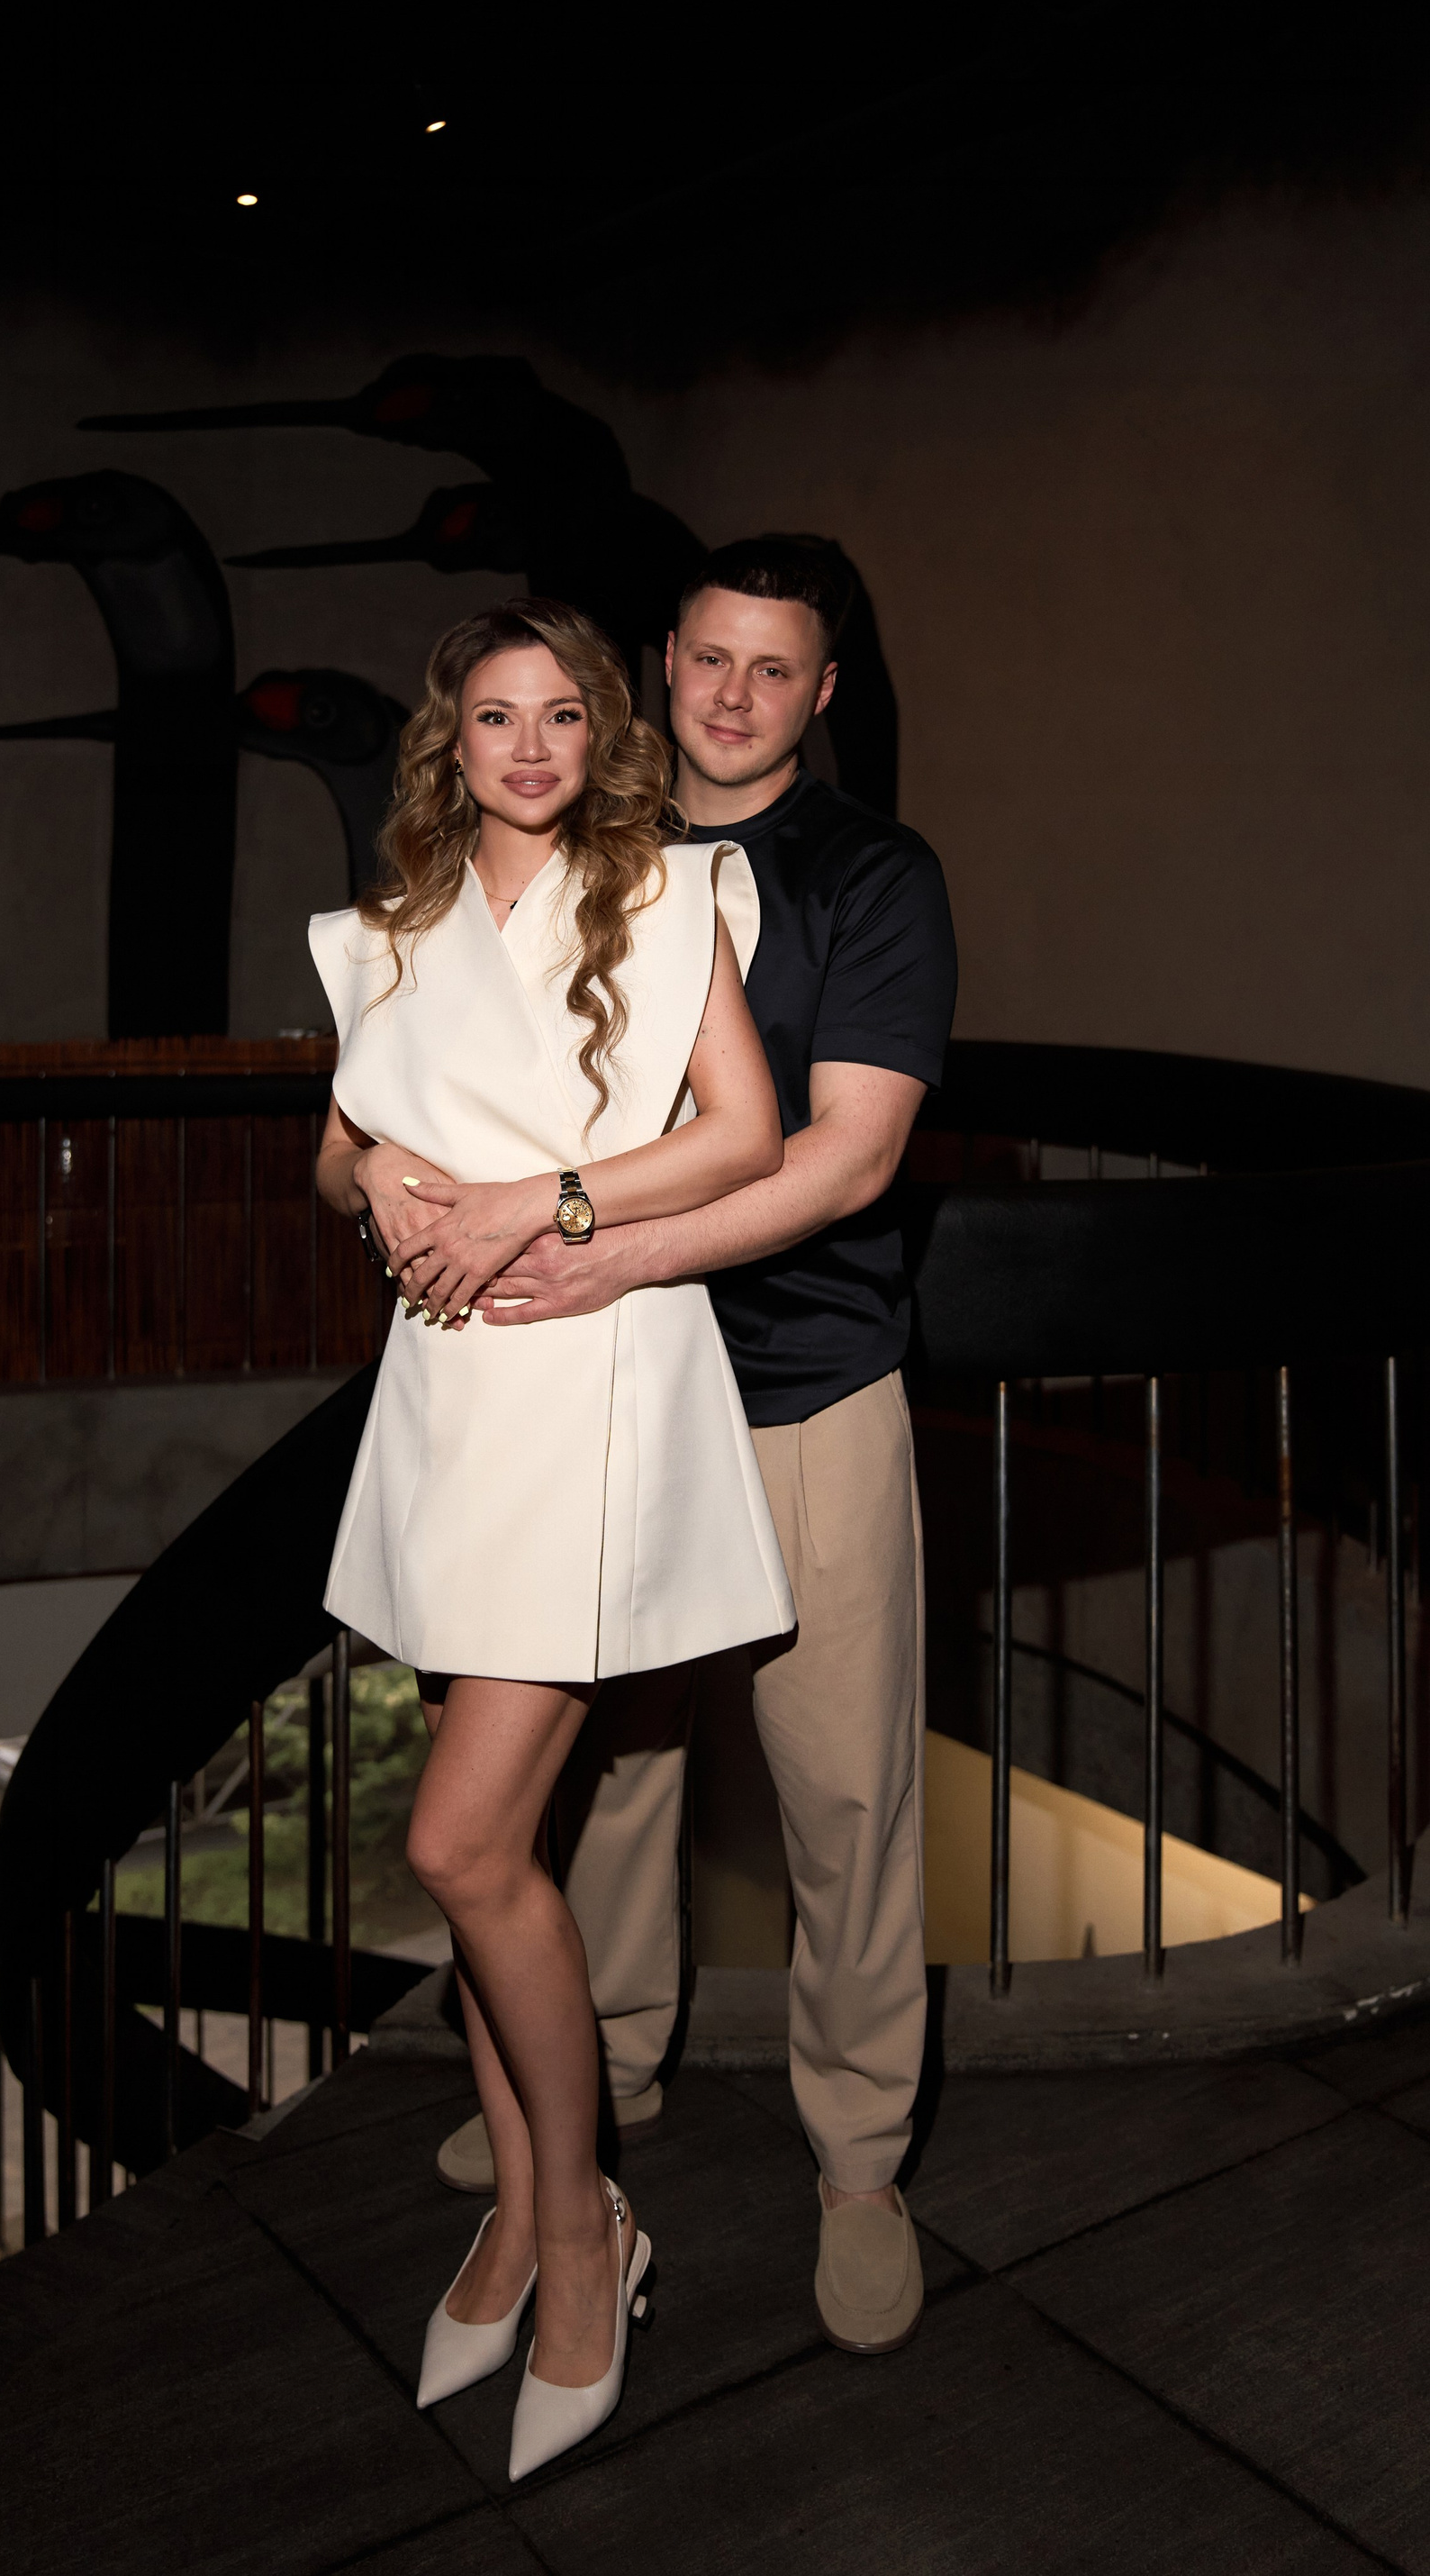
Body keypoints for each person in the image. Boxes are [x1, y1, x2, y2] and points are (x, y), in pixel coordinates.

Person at [438, 537, 958, 2359]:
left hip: (807, 1392)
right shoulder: (582, 847)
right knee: (610, 1779)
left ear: (825, 693)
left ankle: (860, 2162)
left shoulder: (876, 875)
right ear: (665, 661)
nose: (735, 697)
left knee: (845, 1800)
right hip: (605, 1399)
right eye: (711, 659)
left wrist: (611, 1252)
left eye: (775, 668)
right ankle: (591, 2090)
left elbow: (853, 1157)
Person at [310, 594, 794, 2480]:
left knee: (459, 1841)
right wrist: (376, 1176)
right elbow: (337, 1145)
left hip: (588, 1383)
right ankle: (520, 2217)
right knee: (481, 1860)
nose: (530, 746)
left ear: (604, 733)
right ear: (454, 739)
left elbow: (744, 1134)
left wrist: (544, 1200)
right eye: (497, 716)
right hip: (445, 1403)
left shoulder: (665, 895)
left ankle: (588, 2236)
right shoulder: (398, 924)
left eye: (563, 715)